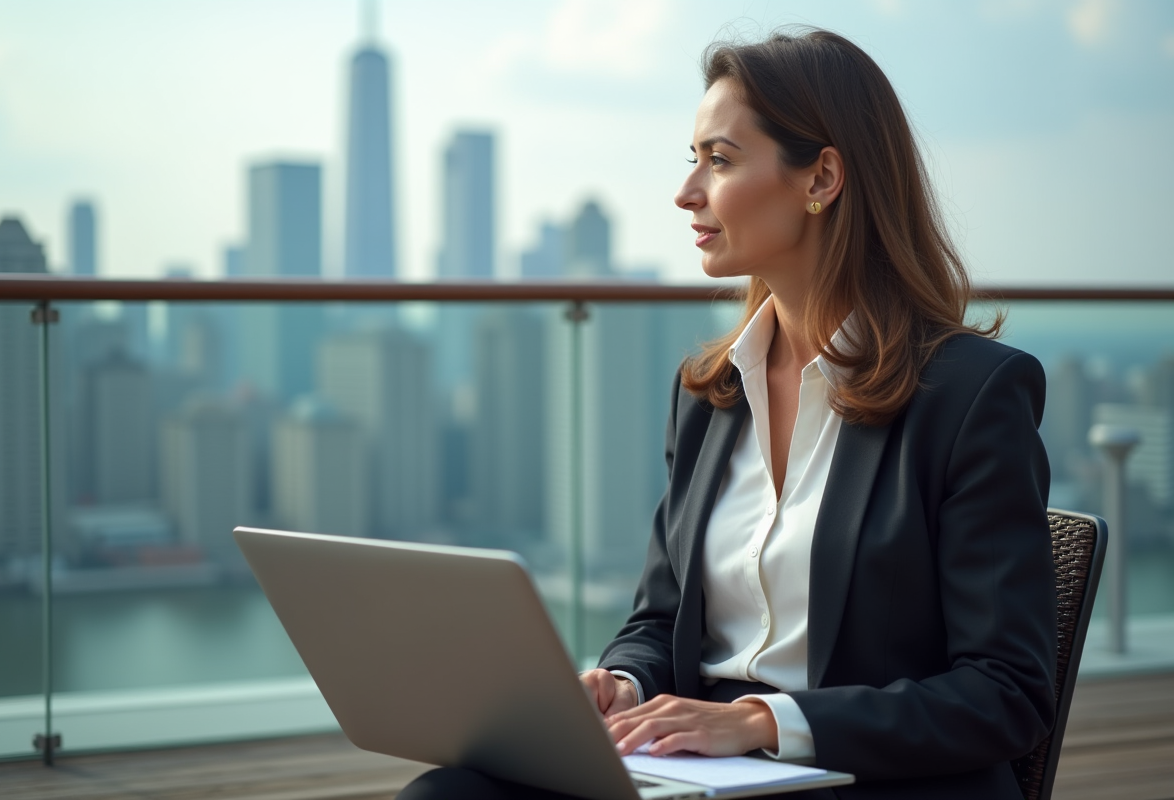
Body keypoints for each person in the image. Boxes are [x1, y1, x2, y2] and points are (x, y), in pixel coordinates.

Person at [399, 27, 1055, 800]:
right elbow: (659, 621)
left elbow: (1007, 693)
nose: (687, 193)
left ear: (823, 178)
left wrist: (762, 721)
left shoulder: (972, 394)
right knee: (448, 794)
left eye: (720, 159)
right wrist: (622, 686)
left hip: (865, 779)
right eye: (694, 160)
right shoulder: (708, 393)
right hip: (701, 770)